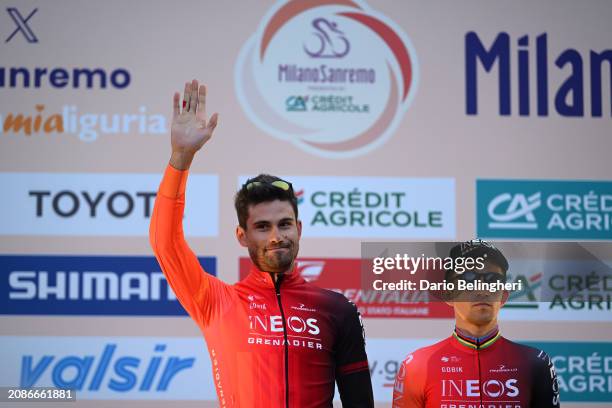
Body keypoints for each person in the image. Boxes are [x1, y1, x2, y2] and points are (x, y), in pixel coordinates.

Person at [150, 79, 374, 407]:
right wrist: (180, 160)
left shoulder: (336, 309)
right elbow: (165, 243)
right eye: (262, 226)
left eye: (284, 224)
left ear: (298, 228)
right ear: (242, 236)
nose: (275, 236)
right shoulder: (216, 302)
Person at [392, 239, 561, 408]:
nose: (482, 289)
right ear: (448, 294)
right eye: (469, 279)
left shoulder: (535, 363)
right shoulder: (417, 366)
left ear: (504, 295)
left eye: (492, 279)